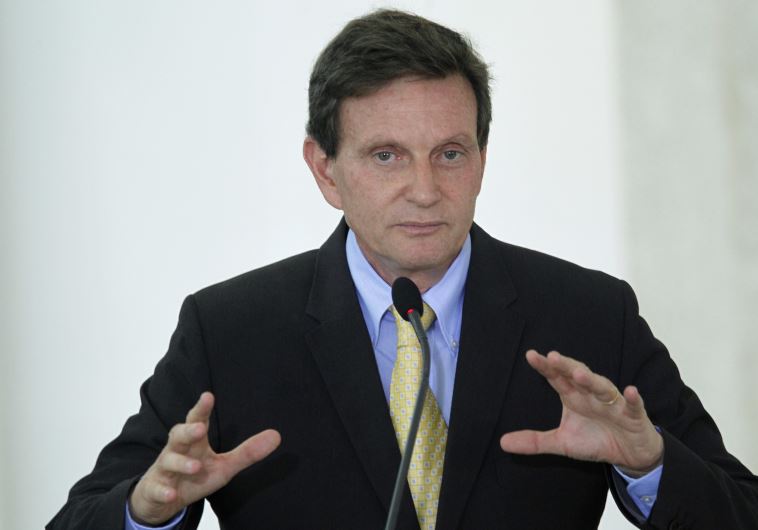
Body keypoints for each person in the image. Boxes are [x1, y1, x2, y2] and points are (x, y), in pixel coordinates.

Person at [48, 9, 758, 530]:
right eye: (386, 156)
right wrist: (148, 511)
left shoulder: (588, 316)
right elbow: (82, 516)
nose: (424, 190)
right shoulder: (231, 330)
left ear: (481, 159)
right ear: (325, 169)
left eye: (449, 153)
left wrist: (649, 464)